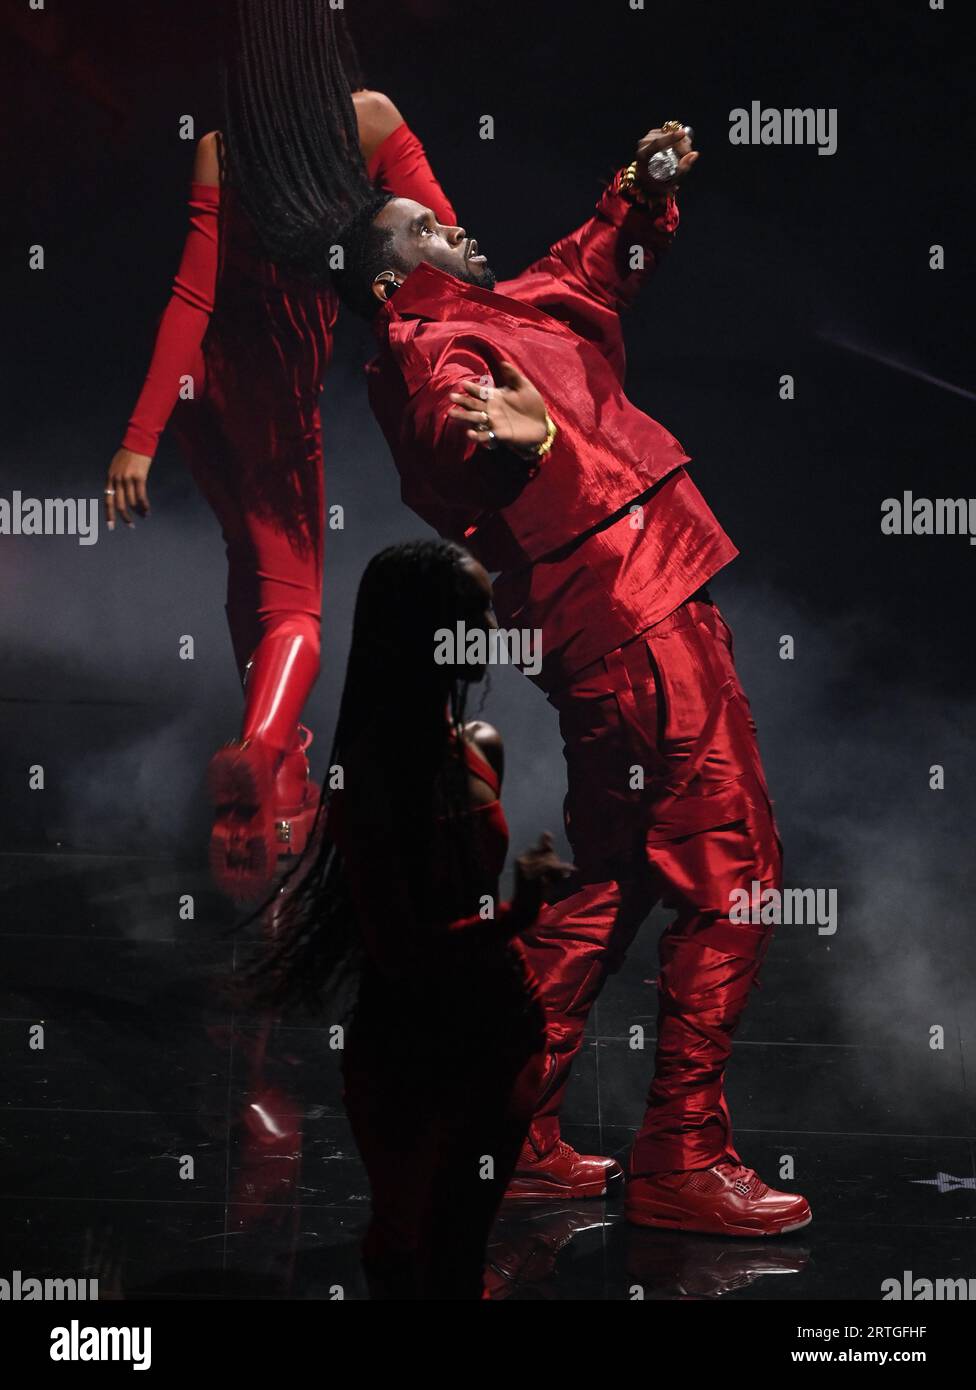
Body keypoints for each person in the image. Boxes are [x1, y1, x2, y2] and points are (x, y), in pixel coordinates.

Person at [326, 121, 813, 1236]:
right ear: (396, 274)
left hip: (641, 603)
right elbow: (445, 441)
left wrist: (639, 196)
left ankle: (508, 1131)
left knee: (611, 879)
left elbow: (595, 264)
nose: (449, 221)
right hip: (630, 614)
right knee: (732, 871)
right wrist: (525, 445)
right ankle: (679, 1156)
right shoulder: (427, 345)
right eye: (423, 226)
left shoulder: (503, 309)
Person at [103, 0, 456, 900]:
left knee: (247, 571)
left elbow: (190, 300)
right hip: (275, 415)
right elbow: (439, 243)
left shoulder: (221, 148)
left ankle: (282, 784)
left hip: (206, 405)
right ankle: (263, 753)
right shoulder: (369, 122)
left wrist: (139, 441)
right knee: (298, 609)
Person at [249, 540, 569, 1299]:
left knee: (453, 1248)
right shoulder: (369, 774)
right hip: (411, 1048)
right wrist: (518, 913)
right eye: (469, 612)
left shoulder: (481, 747)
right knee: (410, 1249)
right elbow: (398, 953)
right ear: (419, 630)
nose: (491, 627)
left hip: (503, 1037)